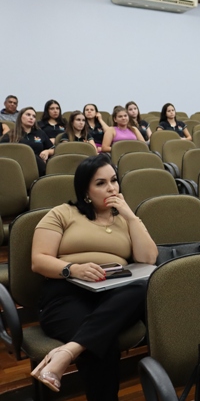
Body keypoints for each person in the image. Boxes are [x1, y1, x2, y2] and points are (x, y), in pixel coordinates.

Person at [30, 154, 157, 400]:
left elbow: (148, 259)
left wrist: (131, 216)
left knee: (144, 287)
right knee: (102, 344)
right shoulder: (62, 213)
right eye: (100, 183)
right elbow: (39, 260)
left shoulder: (125, 219)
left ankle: (66, 353)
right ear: (85, 190)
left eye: (114, 180)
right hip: (66, 295)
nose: (111, 188)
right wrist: (72, 269)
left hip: (114, 296)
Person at [0, 107, 53, 176]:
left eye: (34, 116)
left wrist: (47, 152)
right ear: (20, 117)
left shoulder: (40, 133)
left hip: (38, 167)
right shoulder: (11, 135)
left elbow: (53, 148)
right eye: (28, 115)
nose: (31, 118)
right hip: (18, 168)